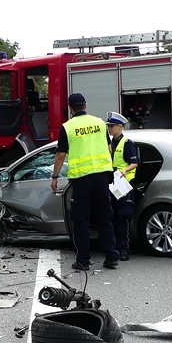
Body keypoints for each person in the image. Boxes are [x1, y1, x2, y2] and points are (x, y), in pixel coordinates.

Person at [51, 93, 119, 271]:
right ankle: (111, 256)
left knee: (80, 219)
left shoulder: (68, 127)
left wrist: (55, 177)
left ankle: (83, 260)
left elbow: (60, 155)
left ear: (70, 109)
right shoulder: (99, 123)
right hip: (102, 176)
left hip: (82, 179)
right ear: (86, 106)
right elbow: (109, 148)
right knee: (105, 217)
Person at [106, 112, 138, 261]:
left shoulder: (127, 142)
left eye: (112, 126)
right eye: (108, 126)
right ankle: (116, 247)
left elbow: (134, 162)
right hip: (114, 184)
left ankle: (124, 249)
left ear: (120, 126)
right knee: (113, 217)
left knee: (122, 217)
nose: (109, 129)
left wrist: (125, 170)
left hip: (124, 185)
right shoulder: (112, 143)